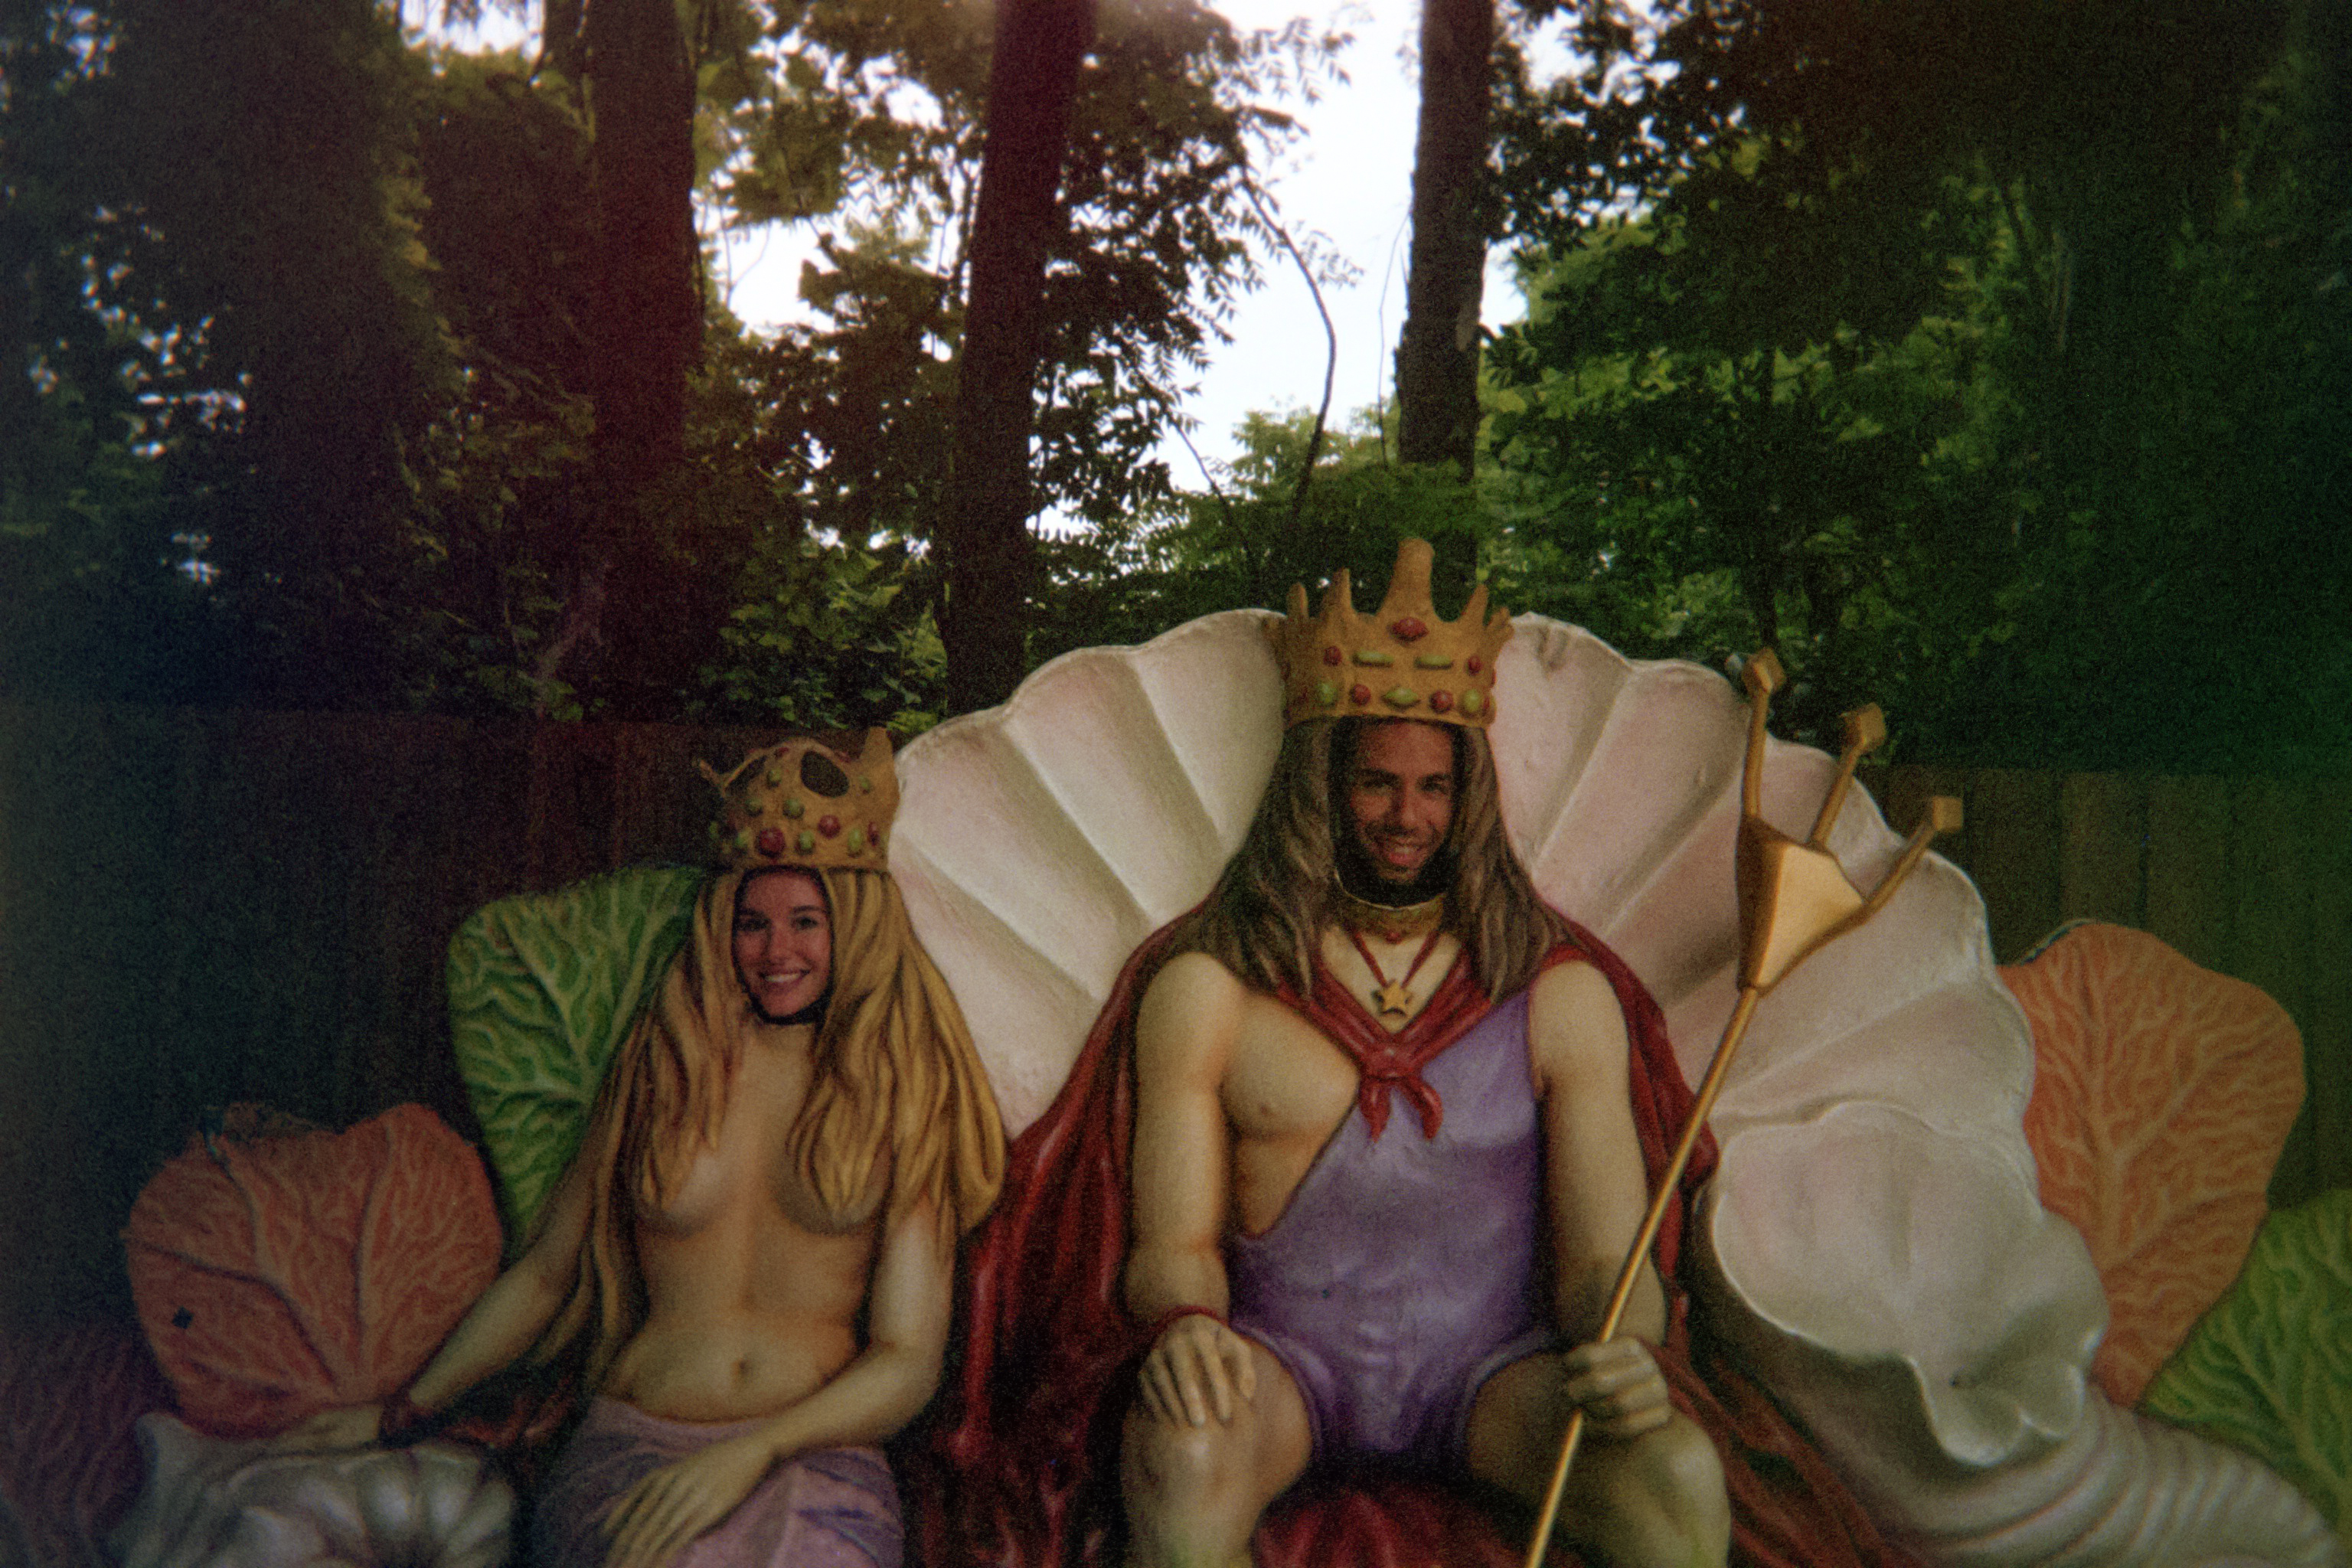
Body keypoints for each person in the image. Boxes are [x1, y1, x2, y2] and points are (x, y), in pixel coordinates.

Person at [923, 541, 1920, 1568]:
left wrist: (1626, 1343)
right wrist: (1184, 1326)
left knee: (1674, 1478)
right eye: (1379, 784)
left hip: (1495, 1377)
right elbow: (1171, 1244)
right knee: (1180, 1455)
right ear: (1322, 785)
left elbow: (1598, 1259)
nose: (1408, 817)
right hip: (1278, 1369)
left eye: (1436, 787)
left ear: (1470, 795)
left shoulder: (1562, 997)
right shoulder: (1209, 990)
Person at [306, 730, 1004, 1568]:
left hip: (812, 1455)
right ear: (721, 925)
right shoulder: (667, 1065)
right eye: (753, 922)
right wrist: (401, 1411)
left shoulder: (903, 1086)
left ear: (853, 922)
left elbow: (908, 1356)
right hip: (634, 1445)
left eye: (805, 921)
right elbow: (544, 1273)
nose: (778, 951)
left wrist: (752, 1451)